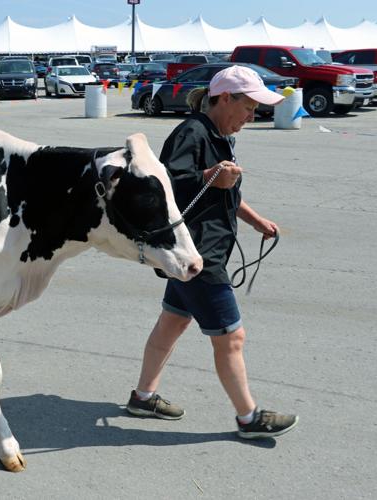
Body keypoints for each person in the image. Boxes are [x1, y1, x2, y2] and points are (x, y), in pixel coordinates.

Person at [126, 65, 299, 439]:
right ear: (224, 99)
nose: (252, 117)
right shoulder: (192, 132)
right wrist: (208, 177)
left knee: (172, 322)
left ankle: (142, 397)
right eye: (248, 107)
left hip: (202, 252)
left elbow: (226, 191)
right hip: (198, 257)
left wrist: (256, 221)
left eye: (256, 110)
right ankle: (249, 418)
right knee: (231, 338)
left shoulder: (219, 135)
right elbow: (166, 186)